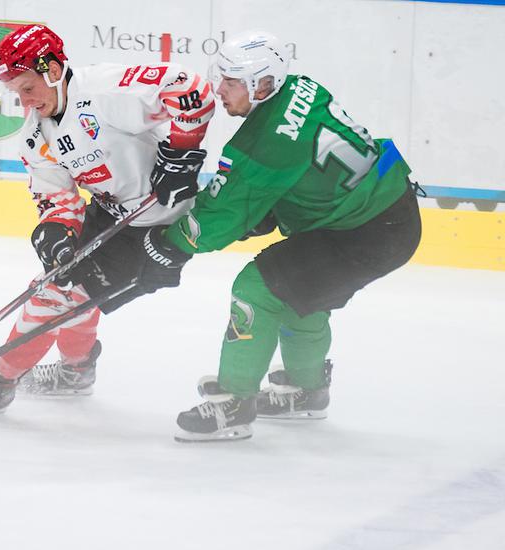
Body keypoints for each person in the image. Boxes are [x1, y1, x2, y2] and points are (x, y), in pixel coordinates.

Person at [133, 31, 422, 442]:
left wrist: (168, 246)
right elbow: (303, 164)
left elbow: (220, 216)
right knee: (298, 291)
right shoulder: (303, 86)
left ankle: (234, 404)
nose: (219, 90)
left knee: (257, 287)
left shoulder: (262, 144)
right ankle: (307, 390)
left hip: (366, 231)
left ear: (263, 84)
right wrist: (271, 207)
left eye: (231, 82)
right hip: (385, 211)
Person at [0, 23, 216, 416]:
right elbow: (55, 194)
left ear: (50, 68)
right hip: (112, 213)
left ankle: (0, 383)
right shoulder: (36, 135)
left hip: (161, 225)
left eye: (27, 88)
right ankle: (76, 372)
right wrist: (56, 232)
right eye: (16, 94)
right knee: (63, 286)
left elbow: (190, 89)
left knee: (55, 295)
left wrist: (182, 154)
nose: (24, 103)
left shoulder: (105, 91)